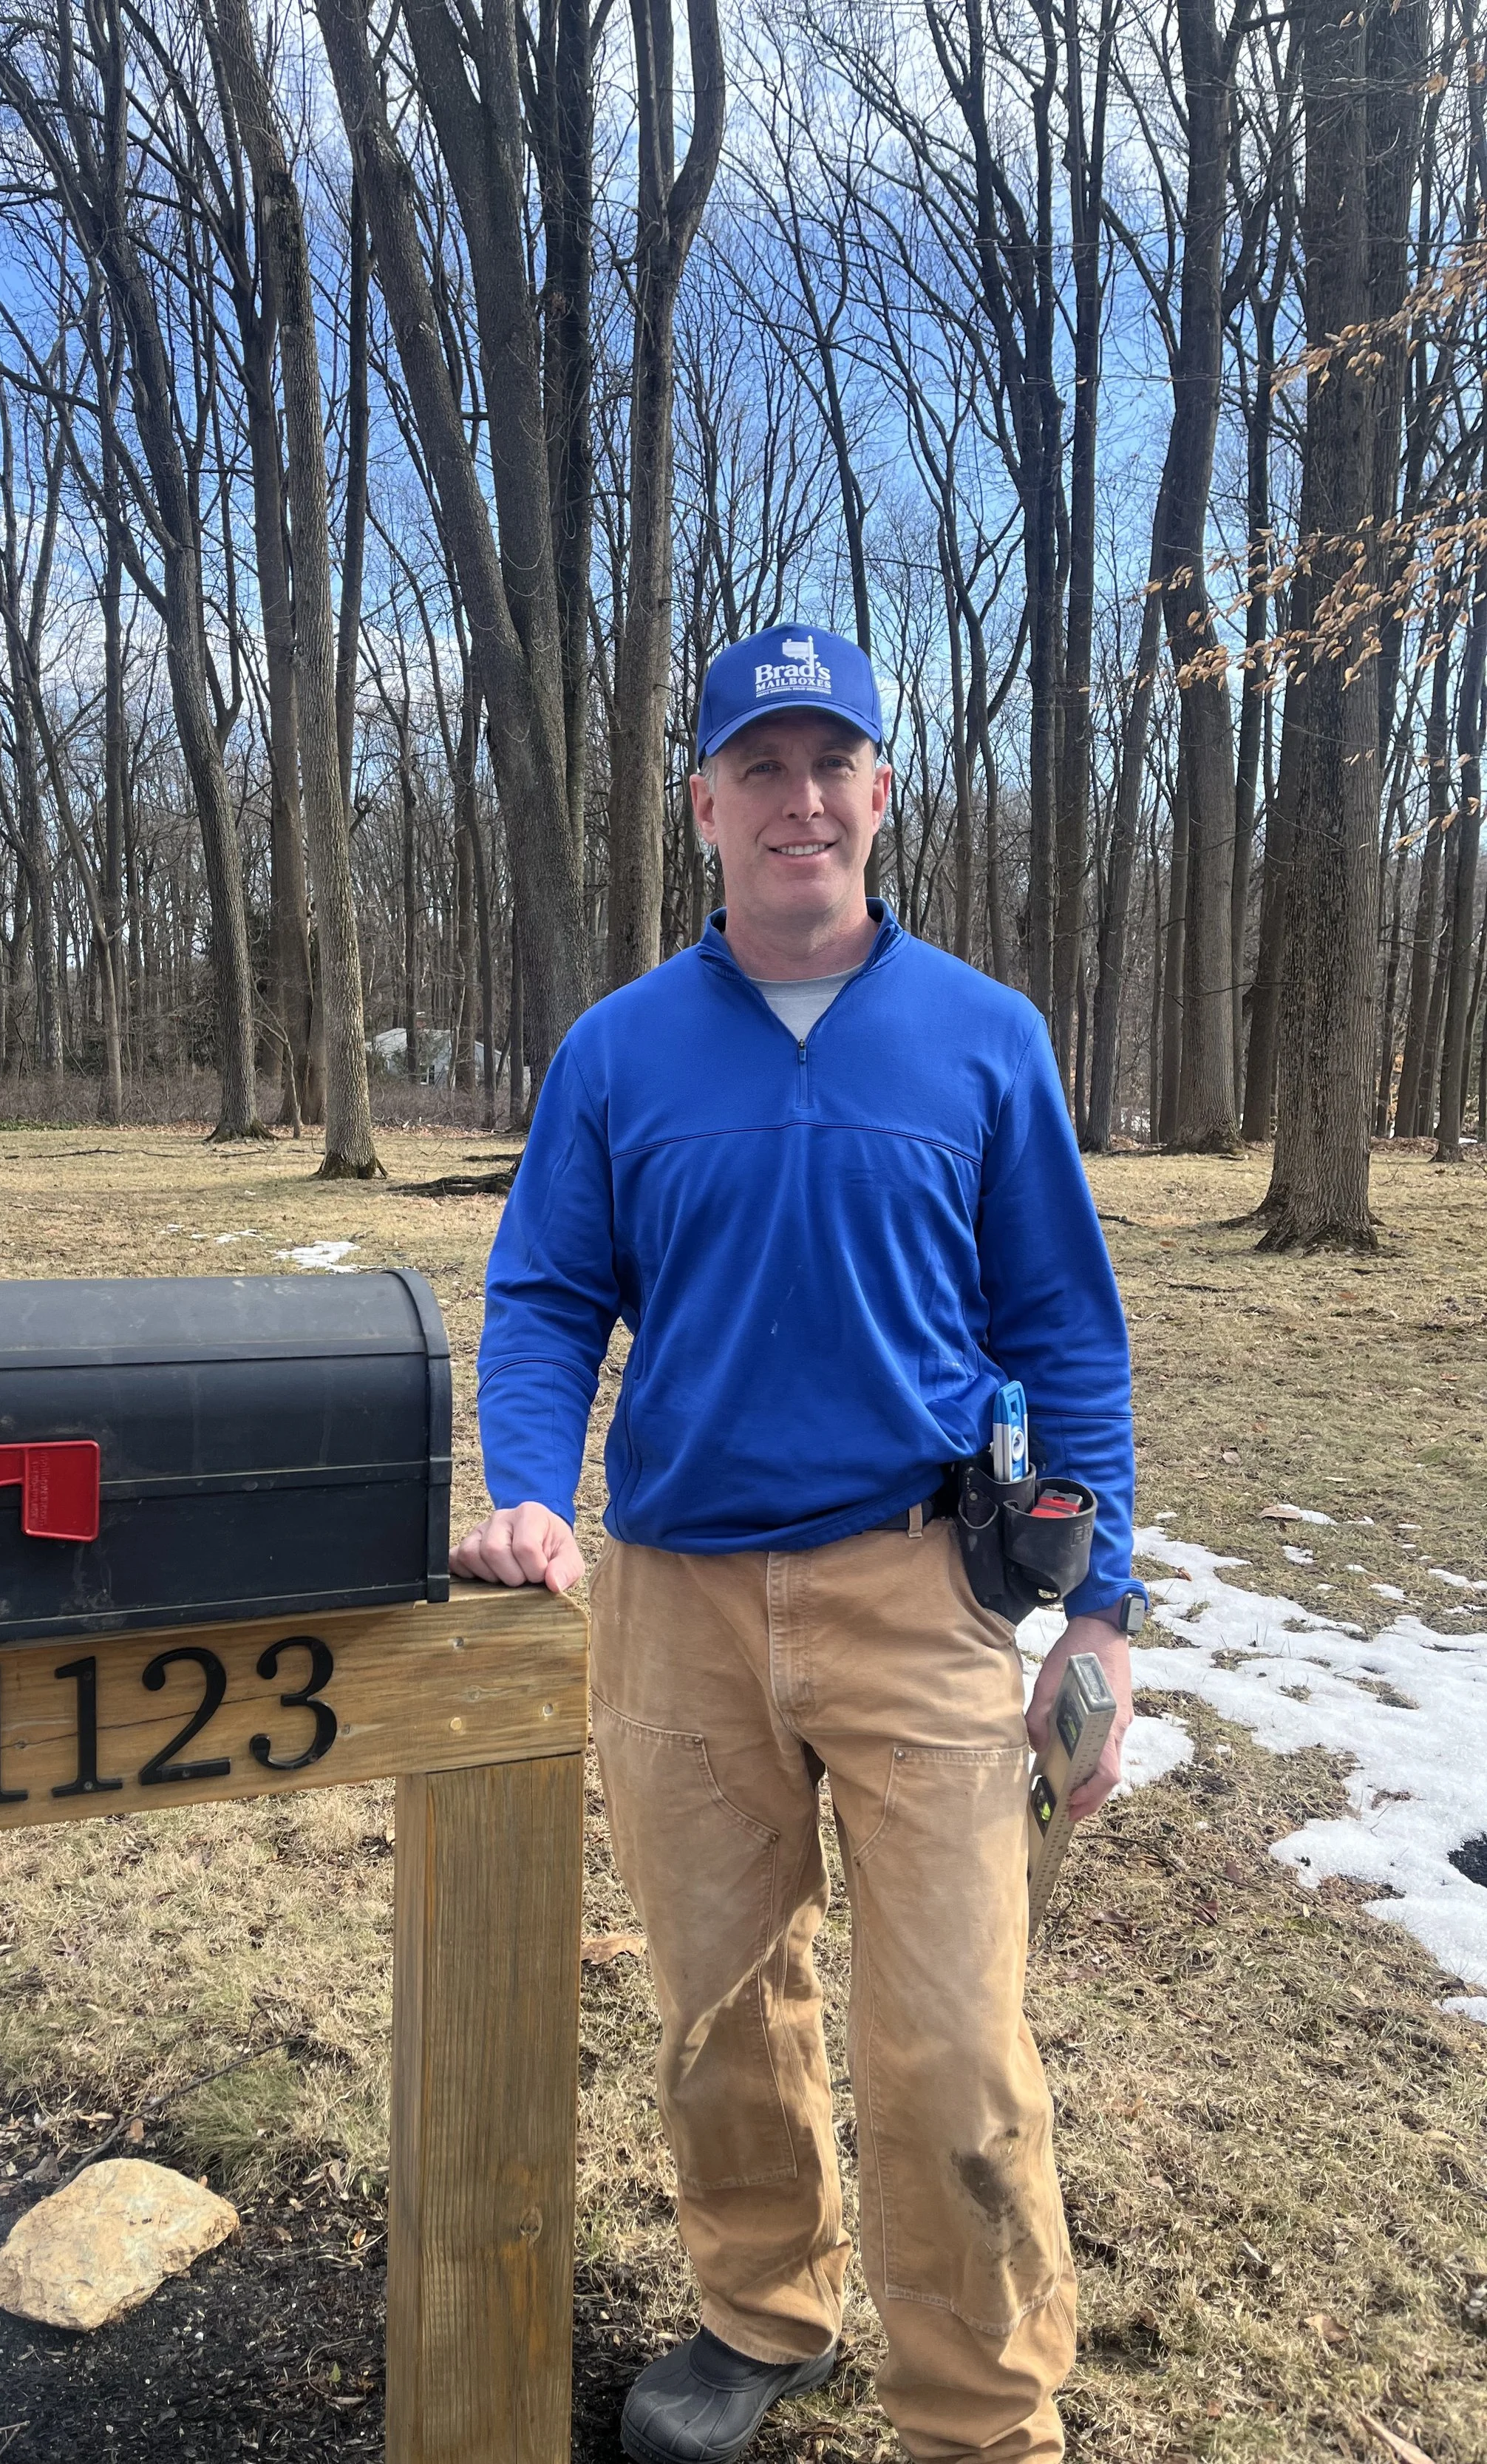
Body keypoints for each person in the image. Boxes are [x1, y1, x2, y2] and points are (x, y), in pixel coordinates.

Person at [452, 623, 1144, 2464]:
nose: (798, 798)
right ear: (701, 804)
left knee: (951, 2041)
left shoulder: (984, 1038)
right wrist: (529, 1481)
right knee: (716, 2008)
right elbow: (541, 1299)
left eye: (830, 761)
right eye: (758, 766)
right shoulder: (615, 1052)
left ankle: (979, 2413)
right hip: (671, 1602)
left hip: (920, 1590)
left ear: (881, 794)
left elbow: (1063, 1326)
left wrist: (1106, 1610)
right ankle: (764, 2310)